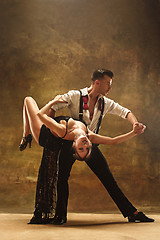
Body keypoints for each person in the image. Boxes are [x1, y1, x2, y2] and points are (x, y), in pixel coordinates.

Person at [27, 69, 154, 224]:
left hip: (90, 140)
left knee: (108, 179)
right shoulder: (74, 95)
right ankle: (61, 216)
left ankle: (132, 213)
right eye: (108, 83)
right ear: (97, 82)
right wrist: (53, 131)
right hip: (70, 142)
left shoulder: (105, 103)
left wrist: (134, 124)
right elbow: (53, 108)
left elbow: (125, 112)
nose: (110, 88)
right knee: (62, 178)